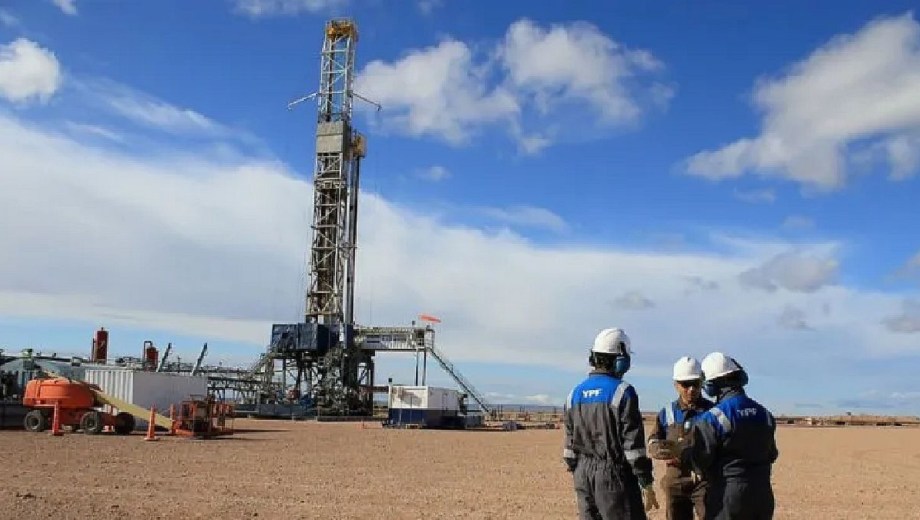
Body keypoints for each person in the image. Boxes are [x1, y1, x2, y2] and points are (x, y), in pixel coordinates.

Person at [563, 327, 659, 520]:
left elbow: (569, 450)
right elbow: (634, 448)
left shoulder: (574, 394)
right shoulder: (623, 392)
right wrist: (645, 481)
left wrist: (582, 474)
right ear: (620, 360)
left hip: (582, 475)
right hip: (613, 477)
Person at [684, 352, 779, 520]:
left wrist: (683, 451)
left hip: (728, 496)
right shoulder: (765, 414)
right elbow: (772, 454)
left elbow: (700, 460)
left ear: (712, 384)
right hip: (763, 495)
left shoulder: (712, 418)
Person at [647, 356, 714, 519]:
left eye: (695, 384)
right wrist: (658, 449)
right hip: (675, 480)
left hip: (705, 481)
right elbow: (653, 439)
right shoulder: (667, 413)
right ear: (676, 385)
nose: (691, 389)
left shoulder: (713, 411)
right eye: (685, 384)